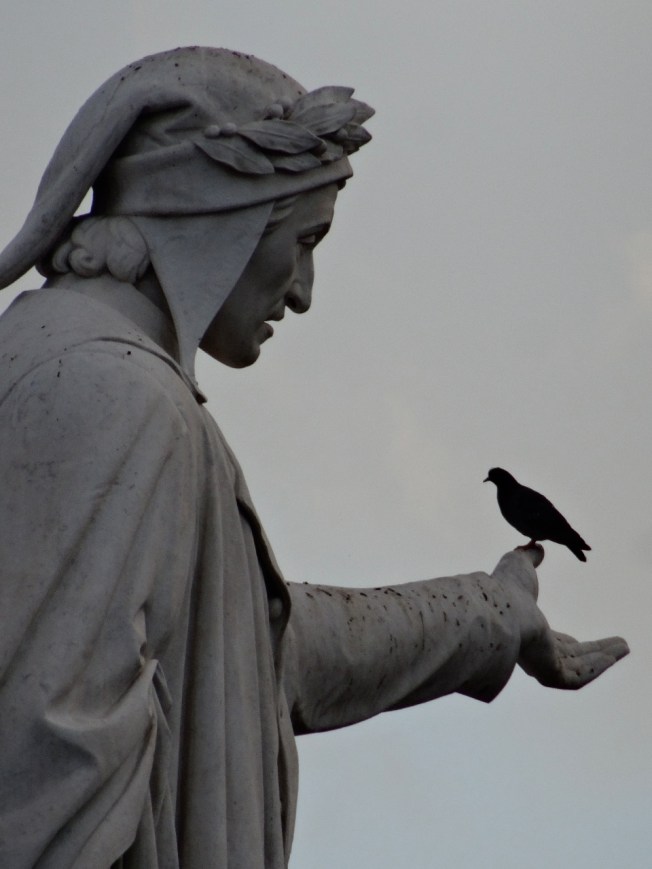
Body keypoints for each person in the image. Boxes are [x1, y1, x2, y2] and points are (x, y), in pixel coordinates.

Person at [0, 47, 628, 869]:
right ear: (217, 214)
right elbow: (43, 782)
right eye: (302, 241)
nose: (301, 290)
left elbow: (252, 653)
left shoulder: (88, 370)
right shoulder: (113, 394)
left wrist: (492, 614)